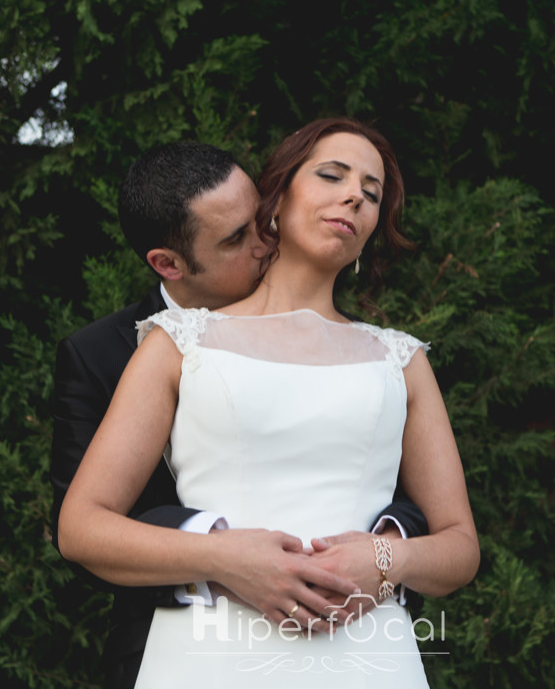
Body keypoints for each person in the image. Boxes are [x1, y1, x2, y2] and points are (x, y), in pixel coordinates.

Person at [58, 119, 479, 687]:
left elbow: (460, 546)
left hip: (368, 658)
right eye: (332, 175)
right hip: (208, 655)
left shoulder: (400, 360)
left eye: (372, 194)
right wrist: (224, 557)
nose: (355, 194)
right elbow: (82, 527)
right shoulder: (176, 343)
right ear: (275, 201)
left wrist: (385, 561)